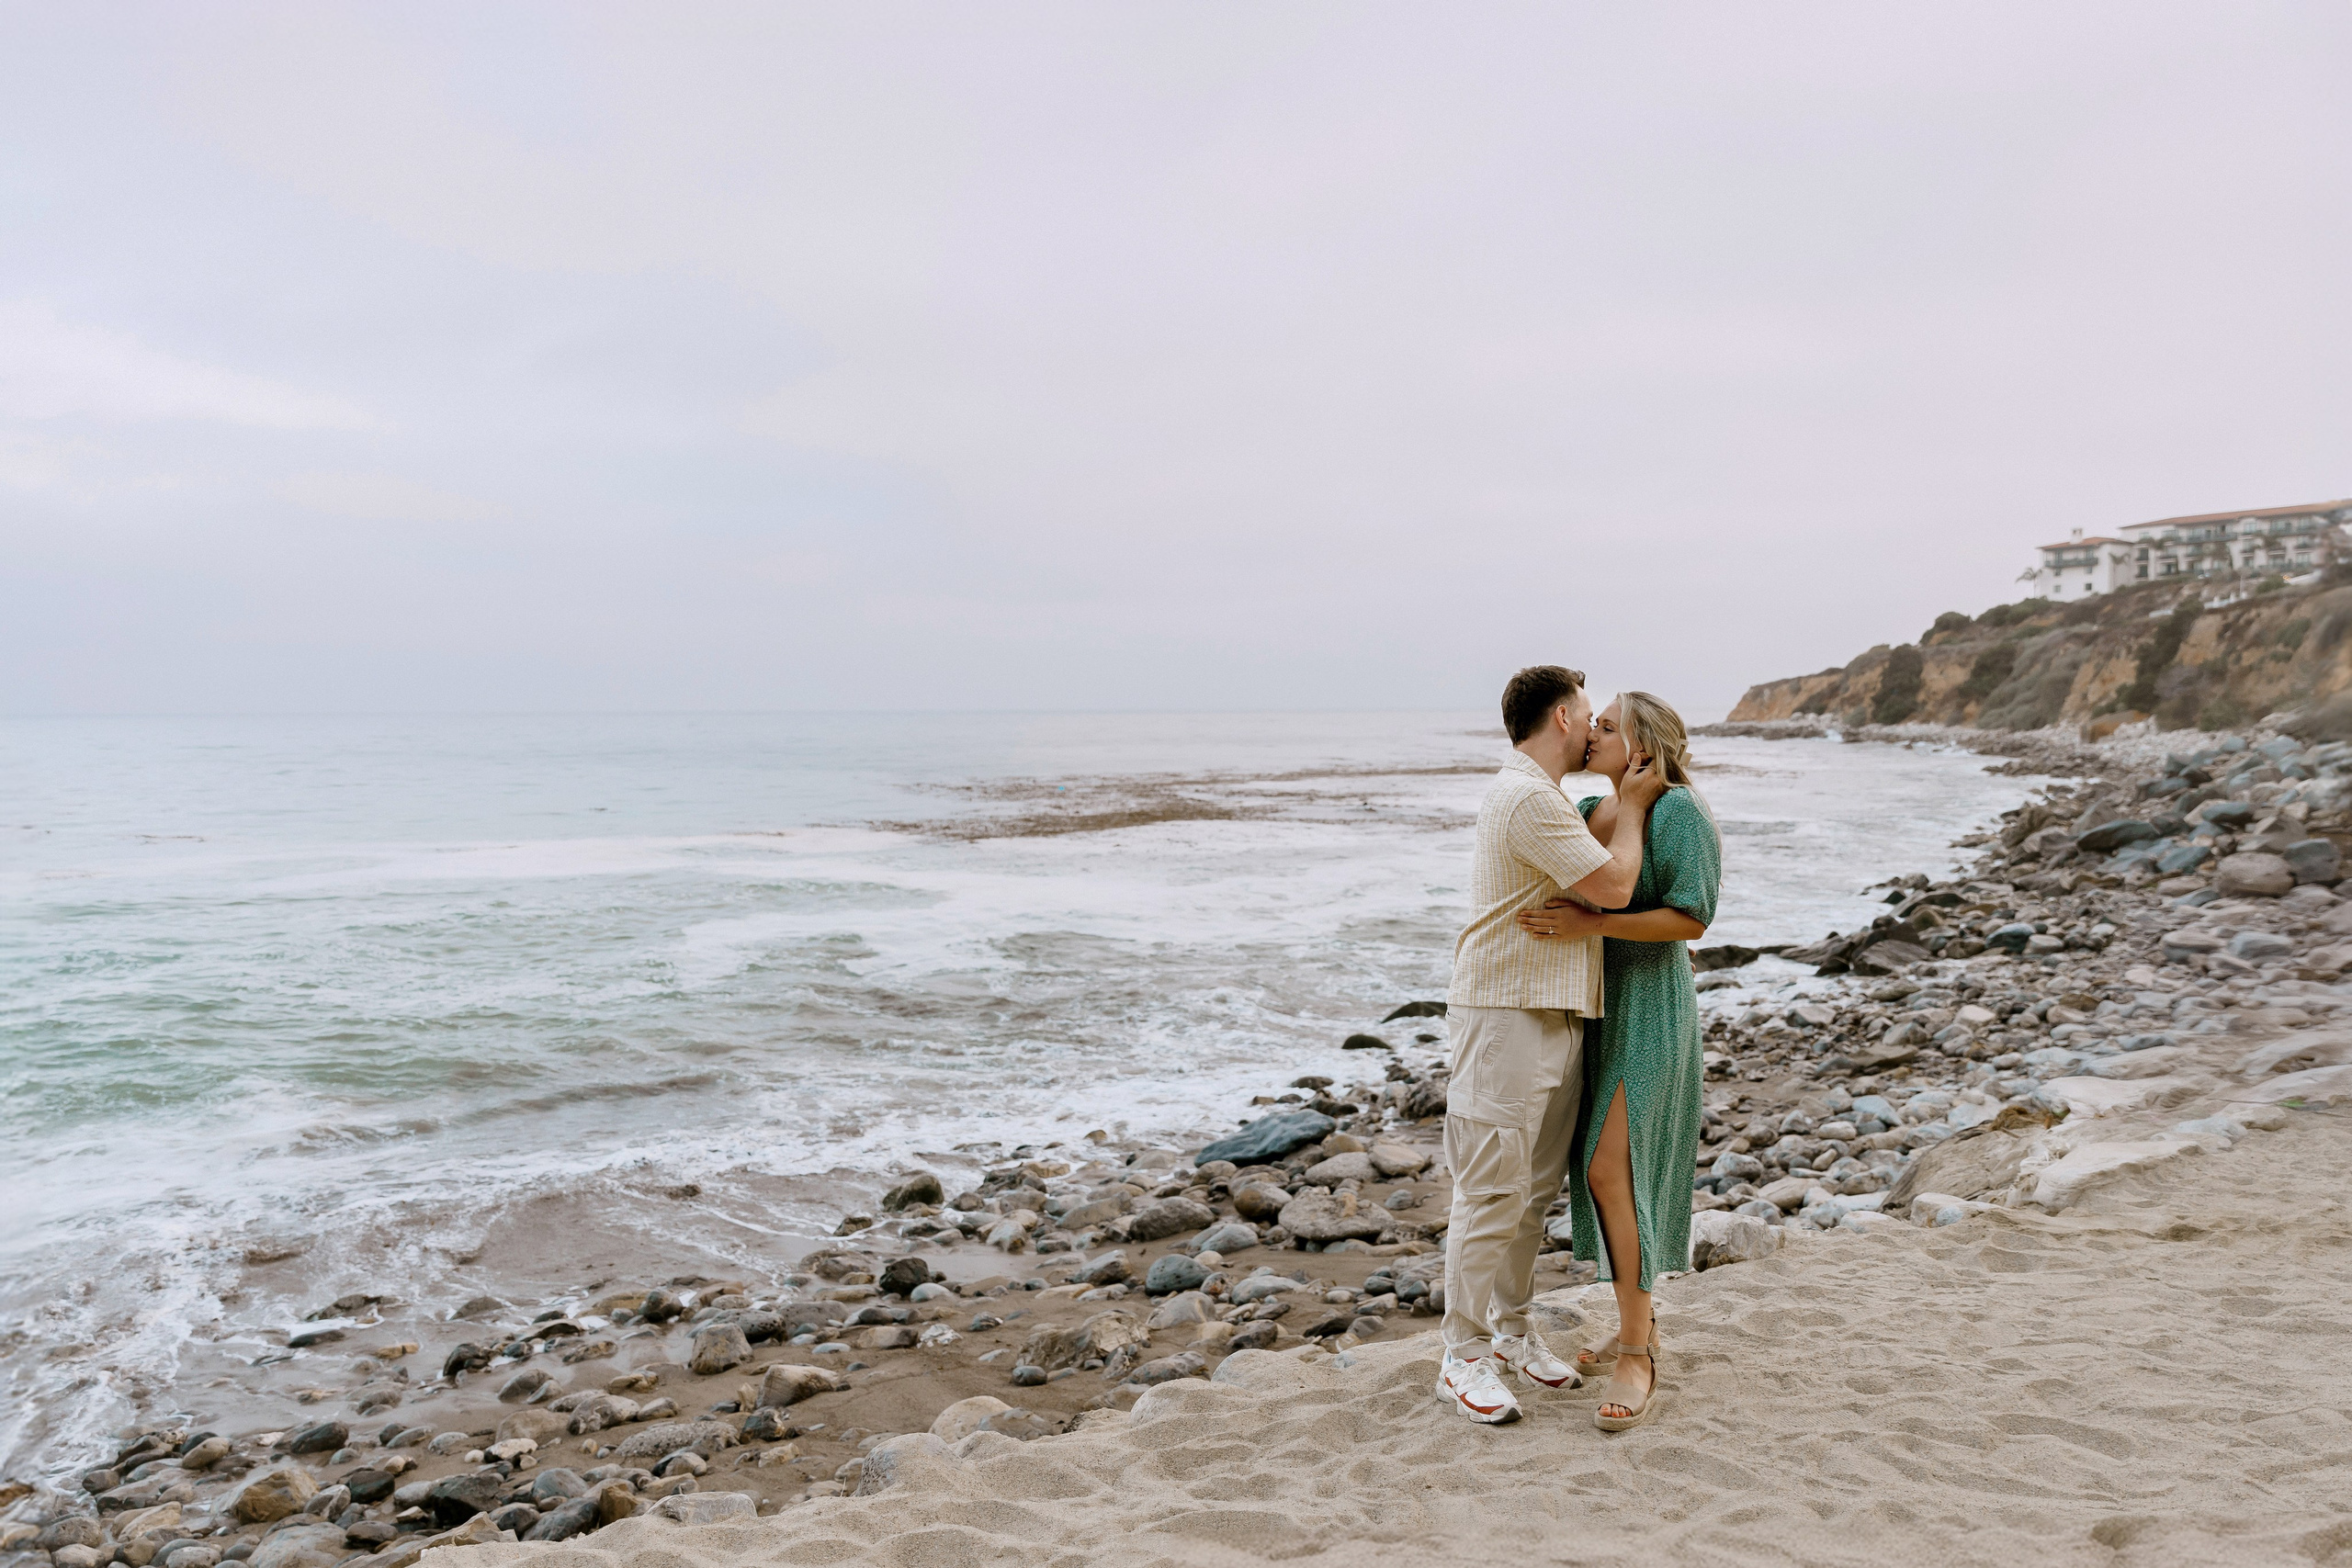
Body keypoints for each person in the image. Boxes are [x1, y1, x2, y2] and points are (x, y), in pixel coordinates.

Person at [1436, 665, 1668, 1426]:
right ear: (1563, 717)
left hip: (1553, 1009)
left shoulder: (1550, 800)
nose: (1597, 729)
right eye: (1589, 717)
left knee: (1531, 1194)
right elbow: (1612, 889)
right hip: (1506, 1013)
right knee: (1492, 1191)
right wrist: (1633, 803)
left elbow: (1588, 867)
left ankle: (1511, 1331)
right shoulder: (1528, 796)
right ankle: (1462, 1355)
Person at [1516, 692, 1721, 1432]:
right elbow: (1572, 863)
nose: (1591, 733)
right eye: (1592, 721)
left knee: (1613, 1168)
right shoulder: (1599, 806)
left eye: (1606, 725)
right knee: (1602, 1171)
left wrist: (1594, 922)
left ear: (1640, 743)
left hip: (1651, 1008)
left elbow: (1694, 916)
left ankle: (1638, 1353)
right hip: (1597, 1007)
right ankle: (1640, 1324)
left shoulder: (1681, 813)